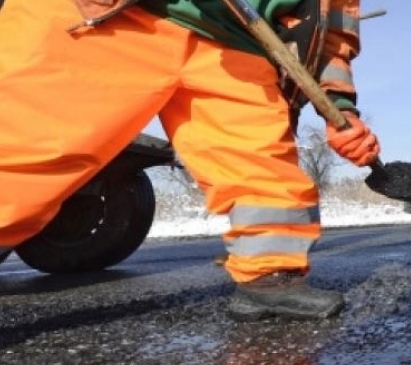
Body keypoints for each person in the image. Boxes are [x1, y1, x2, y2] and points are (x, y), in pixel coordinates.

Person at [0, 0, 380, 321]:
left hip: (236, 44)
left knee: (262, 168)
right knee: (26, 147)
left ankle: (269, 275)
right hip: (112, 16)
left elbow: (332, 30)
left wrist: (340, 105)